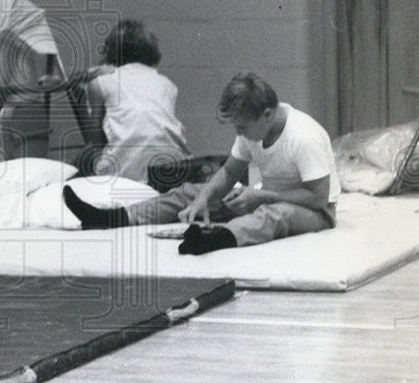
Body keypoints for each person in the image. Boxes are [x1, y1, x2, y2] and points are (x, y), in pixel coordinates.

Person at [63, 72, 340, 254]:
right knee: (190, 192)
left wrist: (261, 196)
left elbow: (318, 198)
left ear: (267, 115)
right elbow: (230, 171)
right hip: (269, 196)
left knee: (275, 215)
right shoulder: (255, 129)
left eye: (242, 127)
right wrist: (204, 199)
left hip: (315, 211)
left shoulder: (303, 136)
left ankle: (217, 239)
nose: (239, 134)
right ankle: (113, 217)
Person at [76, 19, 189, 183]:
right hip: (173, 167)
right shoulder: (167, 84)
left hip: (125, 171)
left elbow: (95, 141)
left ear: (111, 51)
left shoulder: (101, 83)